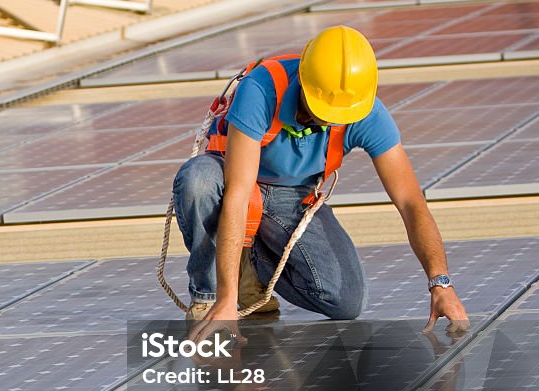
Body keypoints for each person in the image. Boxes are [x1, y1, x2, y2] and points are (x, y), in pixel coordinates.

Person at [173, 25, 468, 332]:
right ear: (303, 79)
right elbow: (237, 193)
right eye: (322, 110)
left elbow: (410, 202)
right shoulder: (261, 89)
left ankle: (253, 269)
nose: (330, 120)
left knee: (348, 302)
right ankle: (208, 296)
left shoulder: (363, 111)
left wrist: (440, 283)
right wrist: (225, 300)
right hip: (233, 179)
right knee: (198, 181)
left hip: (293, 197)